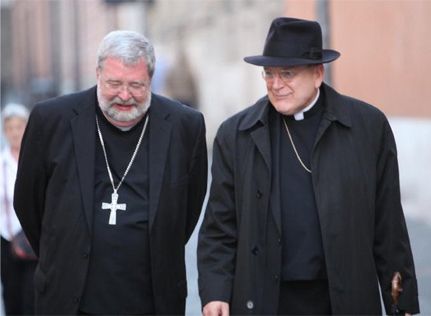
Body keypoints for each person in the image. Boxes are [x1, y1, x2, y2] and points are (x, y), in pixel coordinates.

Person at [197, 17, 419, 315]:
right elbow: (219, 226)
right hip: (267, 298)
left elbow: (388, 225)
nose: (276, 85)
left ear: (317, 74)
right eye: (269, 74)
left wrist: (400, 305)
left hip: (341, 297)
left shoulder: (367, 127)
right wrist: (215, 293)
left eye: (287, 74)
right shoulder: (236, 134)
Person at [14, 30, 207, 315]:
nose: (125, 96)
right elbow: (28, 203)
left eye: (136, 85)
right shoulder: (51, 120)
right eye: (114, 83)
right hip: (69, 299)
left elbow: (188, 210)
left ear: (151, 80)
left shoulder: (185, 126)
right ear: (97, 74)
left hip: (153, 302)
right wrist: (61, 251)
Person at [1, 103, 36, 315]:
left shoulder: (35, 158)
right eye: (10, 128)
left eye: (19, 127)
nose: (15, 132)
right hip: (6, 239)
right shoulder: (1, 163)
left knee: (31, 294)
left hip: (33, 236)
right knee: (11, 293)